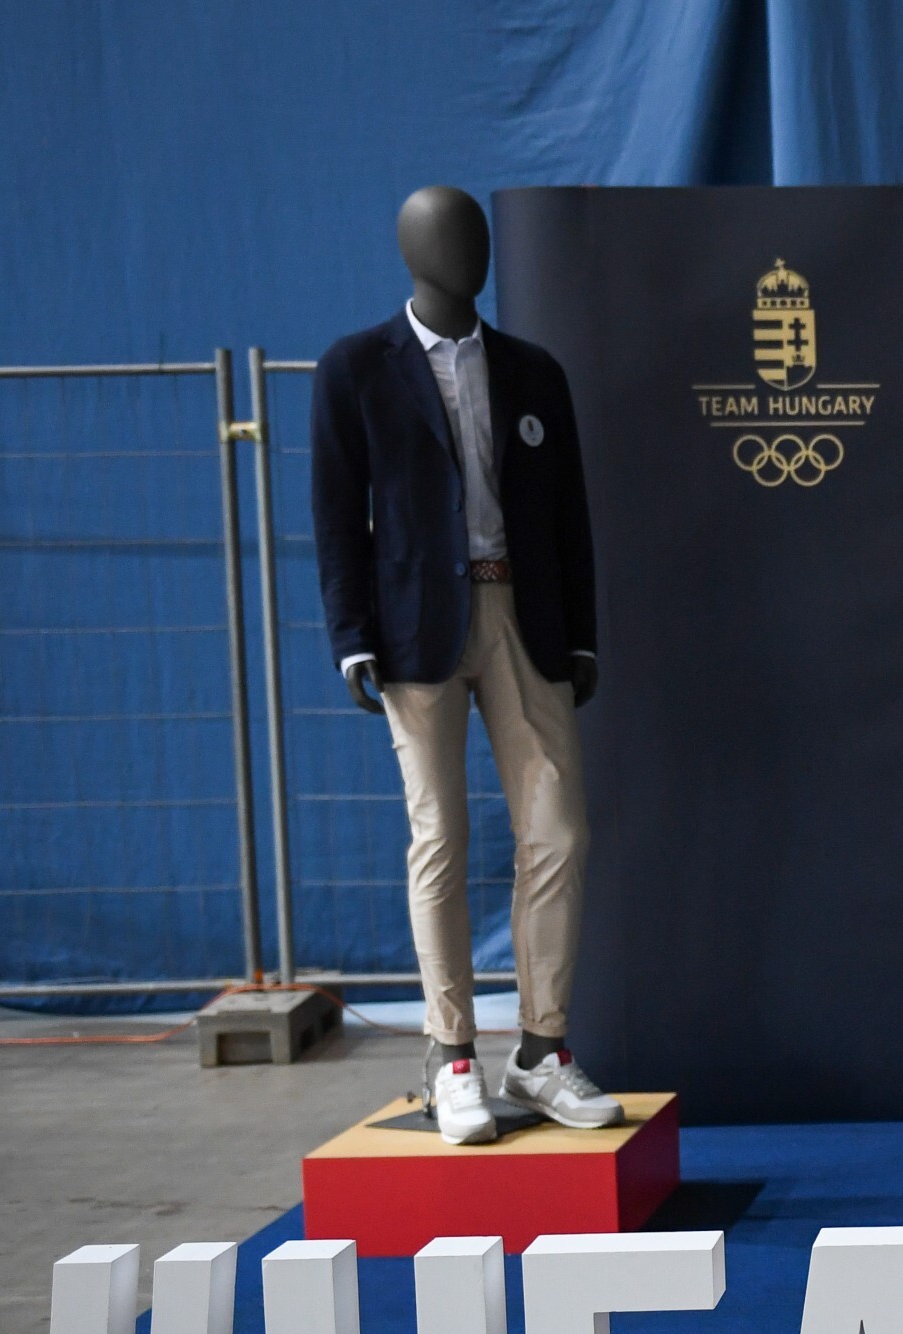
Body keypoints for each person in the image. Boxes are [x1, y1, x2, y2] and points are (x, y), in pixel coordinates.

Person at [312, 186, 623, 1144]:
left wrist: (580, 634)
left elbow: (568, 515)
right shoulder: (355, 369)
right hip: (417, 633)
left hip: (524, 619)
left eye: (477, 236)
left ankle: (541, 1049)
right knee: (439, 837)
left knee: (558, 832)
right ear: (413, 253)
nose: (471, 253)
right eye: (451, 239)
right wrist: (352, 636)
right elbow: (337, 515)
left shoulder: (534, 372)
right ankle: (452, 1058)